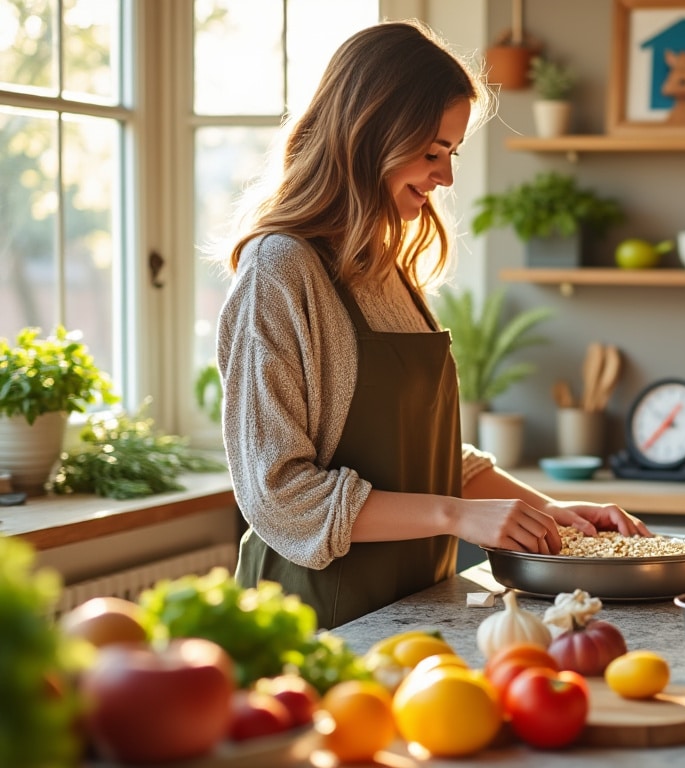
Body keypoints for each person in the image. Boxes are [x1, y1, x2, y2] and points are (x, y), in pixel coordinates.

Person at [215, 20, 648, 630]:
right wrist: (454, 517)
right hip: (313, 619)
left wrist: (553, 514)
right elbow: (278, 495)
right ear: (370, 136)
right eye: (431, 153)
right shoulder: (280, 271)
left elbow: (437, 460)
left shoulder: (384, 269)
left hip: (411, 607)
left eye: (451, 153)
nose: (445, 178)